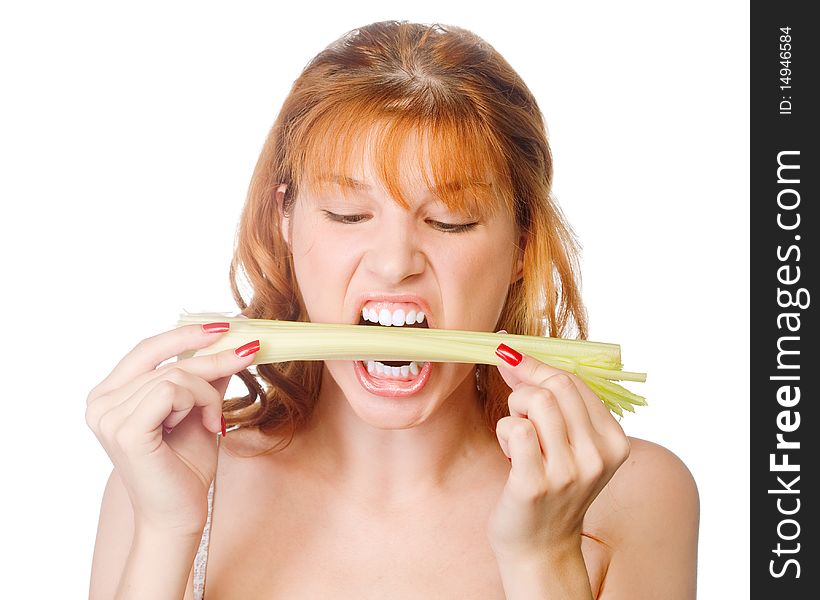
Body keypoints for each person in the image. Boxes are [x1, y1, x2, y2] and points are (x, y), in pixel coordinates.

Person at [87, 20, 699, 599]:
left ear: (520, 242)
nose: (393, 261)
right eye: (347, 214)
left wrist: (542, 558)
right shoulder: (166, 484)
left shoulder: (629, 492)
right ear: (285, 220)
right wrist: (168, 532)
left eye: (449, 220)